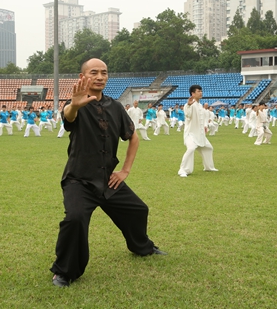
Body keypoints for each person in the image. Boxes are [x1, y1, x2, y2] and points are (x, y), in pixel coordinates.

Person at [50, 58, 166, 288]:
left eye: (104, 72)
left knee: (138, 209)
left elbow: (133, 137)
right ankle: (64, 272)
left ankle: (141, 247)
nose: (100, 76)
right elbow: (69, 117)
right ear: (83, 77)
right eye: (94, 72)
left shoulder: (115, 107)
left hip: (108, 179)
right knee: (75, 219)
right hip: (79, 181)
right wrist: (74, 105)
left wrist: (125, 170)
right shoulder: (76, 104)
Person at [177, 85, 218, 177]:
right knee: (191, 148)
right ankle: (183, 170)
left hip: (200, 134)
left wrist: (204, 126)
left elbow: (202, 119)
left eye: (201, 91)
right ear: (193, 93)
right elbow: (188, 115)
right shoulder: (189, 105)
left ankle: (209, 167)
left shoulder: (200, 106)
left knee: (208, 148)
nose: (201, 93)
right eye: (198, 91)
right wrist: (188, 105)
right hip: (190, 134)